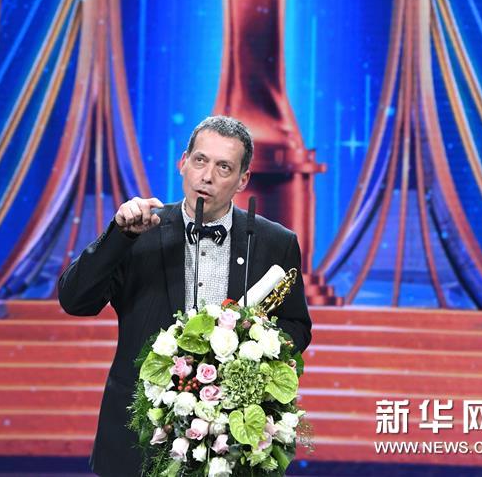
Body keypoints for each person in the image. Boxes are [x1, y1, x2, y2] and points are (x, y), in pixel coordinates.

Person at [58, 115, 311, 477]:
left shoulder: (276, 243)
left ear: (243, 180)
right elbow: (75, 301)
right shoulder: (139, 231)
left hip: (229, 444)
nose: (207, 176)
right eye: (200, 160)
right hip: (138, 437)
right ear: (183, 163)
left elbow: (296, 326)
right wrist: (119, 236)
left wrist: (253, 356)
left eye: (223, 167)